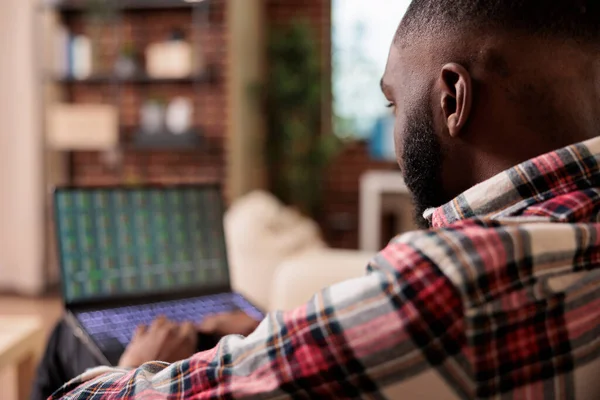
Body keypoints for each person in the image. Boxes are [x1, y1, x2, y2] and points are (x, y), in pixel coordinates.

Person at [49, 0, 600, 398]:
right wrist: (278, 333)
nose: (394, 130)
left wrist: (132, 366)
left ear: (452, 97)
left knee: (64, 346)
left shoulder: (452, 284)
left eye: (392, 102)